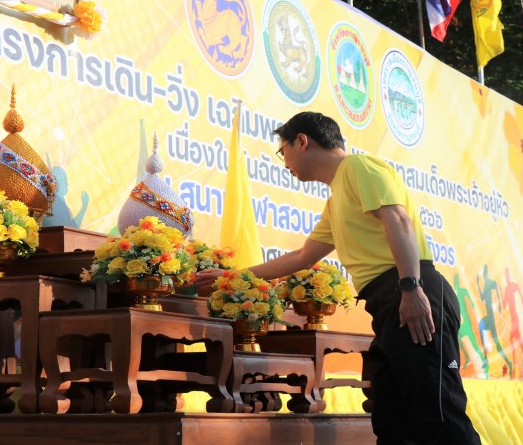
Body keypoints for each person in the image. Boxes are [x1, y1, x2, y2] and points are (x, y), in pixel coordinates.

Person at [195, 112, 481, 444]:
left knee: (437, 411)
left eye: (283, 151)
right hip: (389, 300)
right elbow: (301, 258)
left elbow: (398, 221)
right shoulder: (335, 201)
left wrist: (411, 288)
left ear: (302, 142)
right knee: (392, 418)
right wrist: (231, 276)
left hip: (412, 290)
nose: (284, 162)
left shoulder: (358, 168)